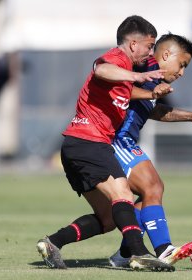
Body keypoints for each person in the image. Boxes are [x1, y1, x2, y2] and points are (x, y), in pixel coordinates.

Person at [36, 15, 175, 272]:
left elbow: (130, 92)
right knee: (123, 194)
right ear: (133, 44)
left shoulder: (124, 75)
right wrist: (139, 77)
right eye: (148, 45)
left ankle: (53, 242)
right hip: (89, 143)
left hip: (75, 147)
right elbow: (101, 69)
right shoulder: (117, 58)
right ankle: (139, 253)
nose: (150, 52)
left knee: (108, 218)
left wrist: (151, 90)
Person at [108, 33, 192, 267]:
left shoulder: (153, 81)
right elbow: (119, 89)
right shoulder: (142, 66)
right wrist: (150, 91)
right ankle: (164, 249)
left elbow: (154, 110)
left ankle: (125, 253)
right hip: (114, 140)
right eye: (182, 65)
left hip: (125, 142)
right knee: (153, 186)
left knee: (145, 198)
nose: (181, 73)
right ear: (166, 54)